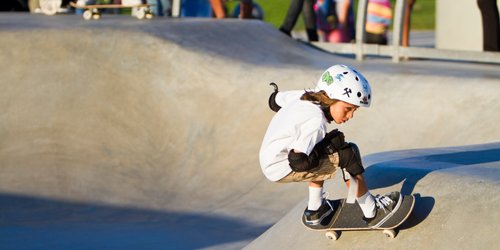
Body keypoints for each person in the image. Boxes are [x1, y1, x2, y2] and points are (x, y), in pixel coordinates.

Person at [259, 64, 402, 226]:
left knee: (325, 144)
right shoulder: (316, 121)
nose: (351, 115)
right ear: (332, 96)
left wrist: (324, 148)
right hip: (283, 166)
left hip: (270, 157)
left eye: (354, 110)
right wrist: (326, 154)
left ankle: (315, 209)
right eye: (348, 108)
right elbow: (298, 161)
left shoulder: (305, 96)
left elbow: (275, 101)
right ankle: (372, 210)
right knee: (348, 154)